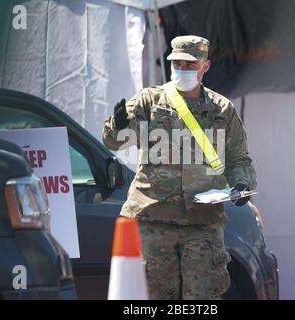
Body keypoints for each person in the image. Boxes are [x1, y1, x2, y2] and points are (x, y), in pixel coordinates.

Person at [102, 35, 257, 300]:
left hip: (202, 222)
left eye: (190, 64)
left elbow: (239, 160)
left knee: (204, 295)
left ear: (205, 66)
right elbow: (114, 142)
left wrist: (241, 185)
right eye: (178, 64)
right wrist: (117, 125)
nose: (182, 69)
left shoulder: (222, 110)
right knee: (155, 296)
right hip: (153, 219)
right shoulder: (149, 102)